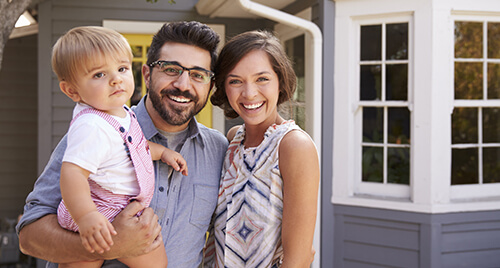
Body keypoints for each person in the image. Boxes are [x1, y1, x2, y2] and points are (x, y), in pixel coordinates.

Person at [16, 21, 228, 267]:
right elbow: (30, 237)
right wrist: (110, 247)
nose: (183, 84)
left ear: (210, 86)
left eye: (197, 75)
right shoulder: (97, 129)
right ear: (147, 75)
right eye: (171, 69)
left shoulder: (218, 150)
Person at [52, 26, 191, 268]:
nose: (116, 79)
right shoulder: (91, 125)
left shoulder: (120, 113)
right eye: (99, 75)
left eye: (122, 69)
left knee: (85, 260)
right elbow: (72, 173)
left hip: (111, 207)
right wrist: (87, 217)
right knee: (155, 261)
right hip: (101, 208)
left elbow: (131, 146)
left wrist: (162, 153)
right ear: (71, 90)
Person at [206, 30, 320, 267]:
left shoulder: (293, 146)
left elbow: (297, 261)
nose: (249, 93)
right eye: (235, 81)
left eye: (262, 79)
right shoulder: (233, 140)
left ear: (280, 82)